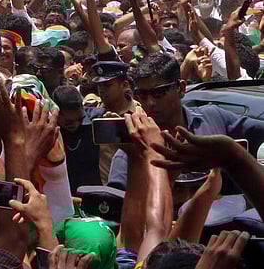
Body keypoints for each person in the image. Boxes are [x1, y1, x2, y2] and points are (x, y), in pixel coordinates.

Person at [106, 52, 264, 189]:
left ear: (181, 88)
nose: (150, 103)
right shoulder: (131, 151)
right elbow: (120, 210)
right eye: (142, 95)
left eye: (159, 93)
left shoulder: (214, 117)